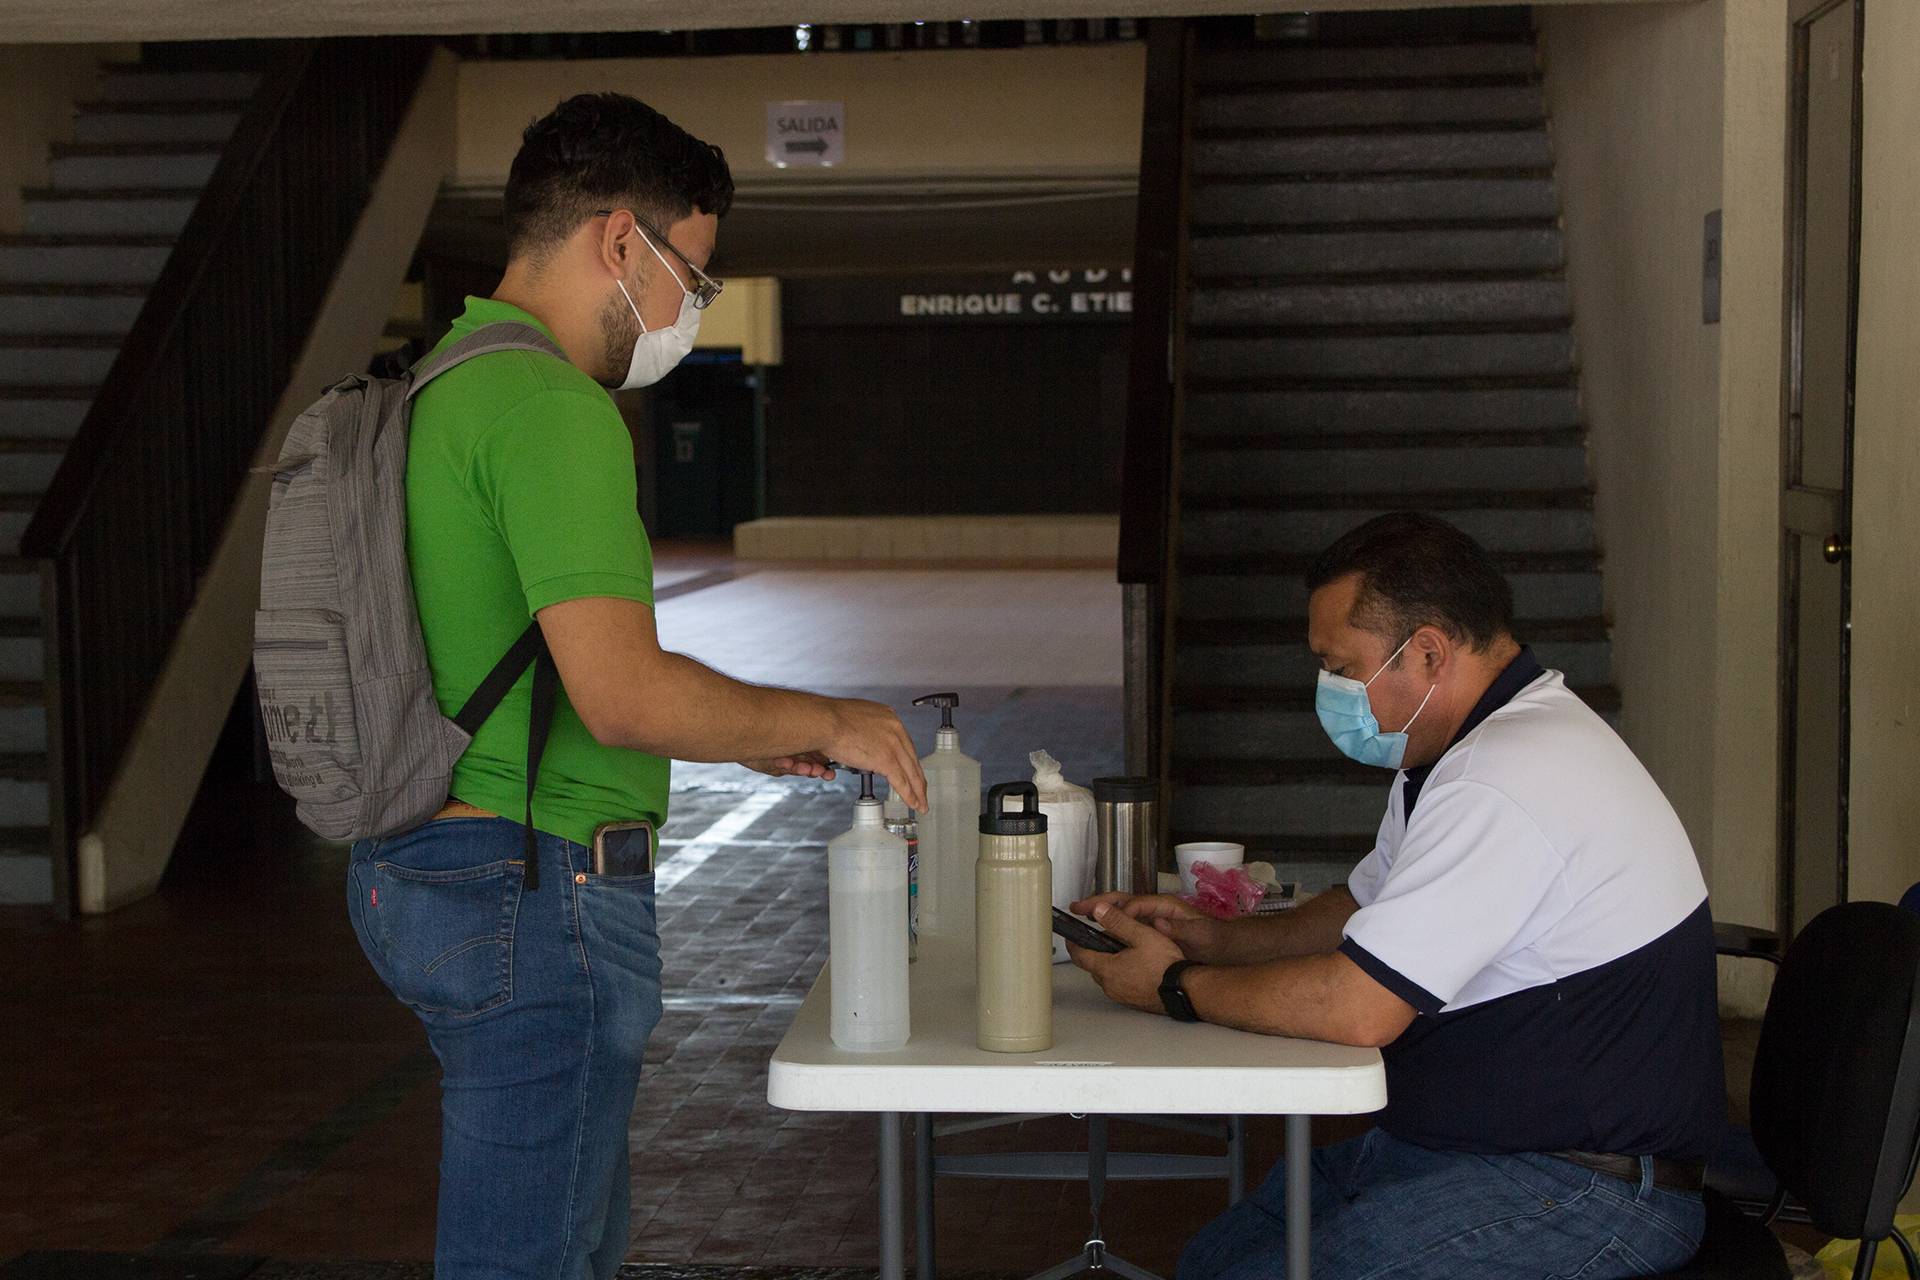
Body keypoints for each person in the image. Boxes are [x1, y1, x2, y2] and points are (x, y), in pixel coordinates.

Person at [343, 93, 928, 1280]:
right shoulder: (550, 405)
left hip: (433, 863)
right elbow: (622, 693)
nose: (684, 314)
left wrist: (745, 731)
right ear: (622, 240)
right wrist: (833, 719)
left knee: (562, 1243)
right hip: (531, 883)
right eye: (691, 278)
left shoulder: (442, 381)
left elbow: (535, 661)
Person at [1068, 512, 1724, 1280]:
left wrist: (1173, 986)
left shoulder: (1505, 776)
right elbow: (1361, 909)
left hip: (1585, 1187)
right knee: (1216, 1261)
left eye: (1342, 668)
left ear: (1428, 652)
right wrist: (1215, 938)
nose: (1331, 692)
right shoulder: (1457, 755)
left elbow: (1359, 1009)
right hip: (1472, 1150)